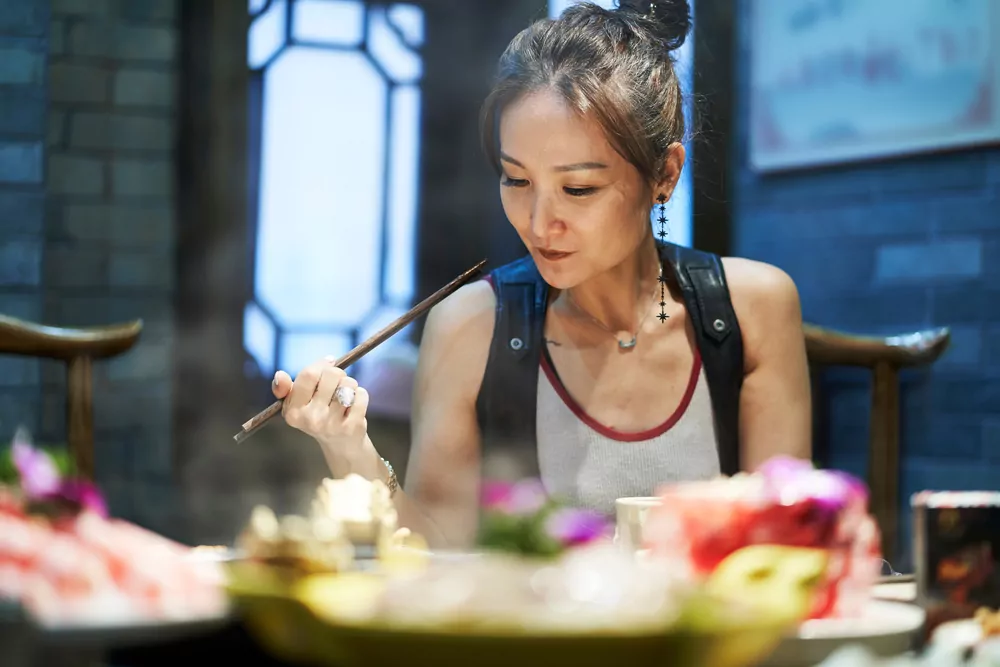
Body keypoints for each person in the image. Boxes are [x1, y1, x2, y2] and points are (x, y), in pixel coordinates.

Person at [271, 0, 811, 548]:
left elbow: (786, 549)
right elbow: (436, 557)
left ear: (665, 174)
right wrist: (349, 446)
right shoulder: (471, 324)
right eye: (516, 180)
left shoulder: (750, 308)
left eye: (578, 189)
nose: (537, 223)